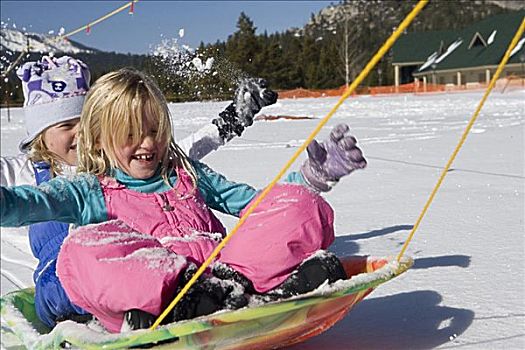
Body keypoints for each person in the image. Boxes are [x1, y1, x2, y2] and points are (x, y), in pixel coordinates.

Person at [0, 68, 367, 333]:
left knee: (301, 205)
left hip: (227, 274)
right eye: (130, 134)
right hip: (153, 298)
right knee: (79, 250)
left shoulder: (187, 173)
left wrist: (307, 180)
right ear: (99, 140)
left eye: (155, 130)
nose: (147, 143)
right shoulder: (90, 188)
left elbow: (258, 206)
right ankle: (183, 306)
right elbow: (30, 203)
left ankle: (247, 293)